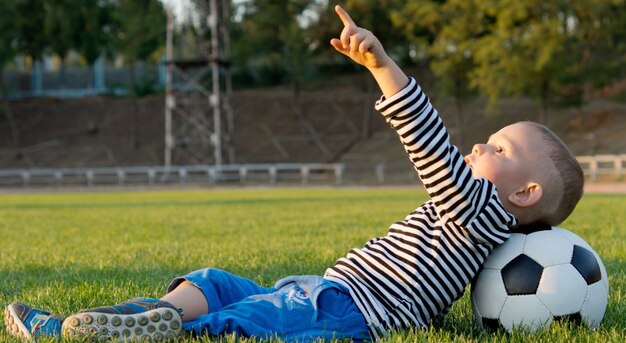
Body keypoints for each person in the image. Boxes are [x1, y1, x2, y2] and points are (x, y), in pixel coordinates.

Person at [4, 4, 584, 343]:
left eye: (500, 148)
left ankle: (140, 331)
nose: (481, 144)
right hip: (320, 290)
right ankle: (129, 318)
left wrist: (385, 68)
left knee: (244, 318)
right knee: (213, 280)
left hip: (349, 310)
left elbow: (426, 142)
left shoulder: (482, 208)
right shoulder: (475, 215)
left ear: (524, 192)